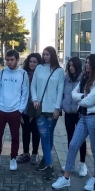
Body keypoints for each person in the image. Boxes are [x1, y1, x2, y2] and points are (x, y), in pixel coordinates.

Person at [52, 54, 95, 190]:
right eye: (86, 62)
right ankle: (66, 177)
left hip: (94, 117)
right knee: (73, 145)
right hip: (83, 116)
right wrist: (84, 97)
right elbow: (73, 93)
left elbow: (89, 101)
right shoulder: (84, 77)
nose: (86, 65)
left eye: (89, 63)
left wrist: (82, 99)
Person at [0, 49, 29, 171]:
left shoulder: (23, 74)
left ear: (17, 60)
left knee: (15, 137)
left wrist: (20, 109)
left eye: (12, 60)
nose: (9, 62)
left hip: (15, 110)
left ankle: (13, 159)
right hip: (0, 110)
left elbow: (25, 92)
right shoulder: (2, 73)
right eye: (7, 60)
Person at [31, 46, 65, 180]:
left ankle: (45, 160)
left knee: (49, 136)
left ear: (53, 55)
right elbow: (33, 85)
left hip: (52, 110)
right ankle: (50, 166)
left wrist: (57, 108)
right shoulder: (39, 68)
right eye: (43, 54)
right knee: (44, 136)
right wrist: (34, 99)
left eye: (47, 54)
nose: (45, 57)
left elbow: (60, 90)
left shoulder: (59, 71)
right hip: (39, 108)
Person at [61, 56, 88, 176]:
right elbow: (62, 93)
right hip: (68, 112)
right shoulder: (66, 78)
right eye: (69, 66)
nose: (71, 68)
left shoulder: (83, 78)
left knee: (81, 139)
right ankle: (70, 164)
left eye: (73, 66)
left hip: (79, 112)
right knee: (70, 138)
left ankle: (82, 163)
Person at [16, 53, 43, 165]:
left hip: (35, 108)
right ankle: (26, 153)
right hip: (24, 108)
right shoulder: (22, 74)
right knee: (25, 132)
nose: (32, 64)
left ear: (39, 63)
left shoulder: (40, 76)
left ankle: (34, 154)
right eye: (31, 61)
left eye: (35, 62)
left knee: (36, 132)